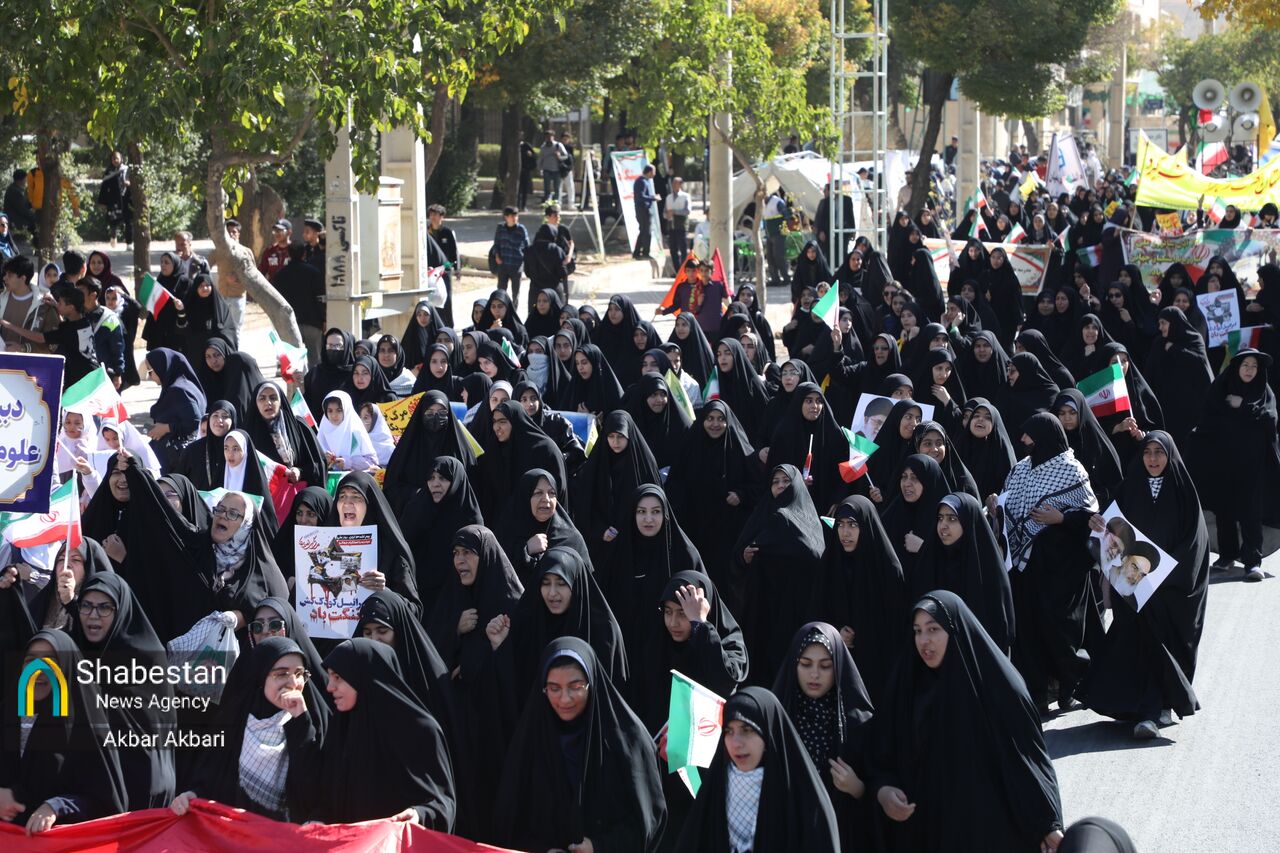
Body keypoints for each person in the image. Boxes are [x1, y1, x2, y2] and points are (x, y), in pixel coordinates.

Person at [868, 591, 1065, 852]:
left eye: (933, 629)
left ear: (955, 629)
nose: (923, 640)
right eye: (917, 631)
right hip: (929, 832)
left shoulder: (999, 688)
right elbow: (883, 751)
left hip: (991, 833)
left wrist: (1047, 824)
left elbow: (1028, 763)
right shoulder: (907, 688)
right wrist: (884, 789)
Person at [1079, 432, 1208, 738]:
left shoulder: (1183, 491)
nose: (1152, 459)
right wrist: (1097, 522)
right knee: (1137, 644)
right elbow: (1112, 528)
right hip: (1134, 586)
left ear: (1170, 456)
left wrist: (1165, 576)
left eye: (1159, 453)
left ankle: (1158, 706)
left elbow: (1195, 541)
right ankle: (1146, 710)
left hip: (1169, 588)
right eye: (1147, 452)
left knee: (1163, 643)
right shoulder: (1130, 488)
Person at [494, 636, 667, 852]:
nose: (564, 699)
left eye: (575, 687)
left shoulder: (629, 741)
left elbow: (648, 823)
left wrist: (598, 847)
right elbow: (509, 823)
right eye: (554, 688)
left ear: (591, 684)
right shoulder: (530, 741)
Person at [169, 637, 330, 821]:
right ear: (261, 676)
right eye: (281, 674)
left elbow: (313, 790)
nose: (293, 683)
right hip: (232, 831)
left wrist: (300, 721)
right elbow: (210, 779)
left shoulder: (310, 722)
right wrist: (191, 795)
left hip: (280, 834)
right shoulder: (235, 717)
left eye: (299, 673)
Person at [303, 638, 455, 828]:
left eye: (338, 677)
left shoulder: (421, 731)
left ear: (363, 675)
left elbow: (443, 803)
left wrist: (419, 815)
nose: (329, 687)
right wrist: (317, 819)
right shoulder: (342, 725)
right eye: (330, 677)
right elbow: (328, 796)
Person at [673, 686, 841, 852]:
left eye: (747, 730)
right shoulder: (717, 787)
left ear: (768, 732)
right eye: (729, 731)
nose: (736, 743)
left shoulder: (801, 795)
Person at [1, 628, 129, 834]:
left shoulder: (88, 728)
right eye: (30, 660)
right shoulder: (9, 714)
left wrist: (57, 806)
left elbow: (107, 804)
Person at [771, 622, 876, 851]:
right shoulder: (777, 721)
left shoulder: (859, 723)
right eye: (805, 664)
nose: (815, 674)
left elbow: (878, 791)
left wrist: (857, 788)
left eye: (826, 666)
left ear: (838, 666)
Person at [1188, 350, 1280, 580]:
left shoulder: (1263, 391)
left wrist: (1243, 406)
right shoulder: (1221, 388)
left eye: (1254, 366)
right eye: (1245, 365)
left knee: (1251, 511)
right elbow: (1208, 418)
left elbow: (1270, 419)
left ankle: (1252, 561)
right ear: (1236, 366)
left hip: (1253, 465)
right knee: (1224, 509)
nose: (1249, 370)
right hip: (1223, 461)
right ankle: (1227, 555)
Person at [141, 347, 207, 472]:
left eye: (150, 371)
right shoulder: (185, 385)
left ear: (162, 367)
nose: (149, 377)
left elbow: (195, 422)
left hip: (175, 460)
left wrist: (166, 428)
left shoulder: (179, 391)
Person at [272, 241, 325, 364]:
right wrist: (323, 318)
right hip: (313, 323)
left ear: (288, 254)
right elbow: (320, 298)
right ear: (304, 254)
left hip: (289, 324)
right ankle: (313, 377)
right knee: (315, 360)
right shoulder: (313, 273)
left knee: (293, 362)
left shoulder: (280, 275)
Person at [0, 255, 58, 353]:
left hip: (29, 362)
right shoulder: (1, 298)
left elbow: (53, 343)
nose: (4, 278)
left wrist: (25, 348)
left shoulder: (44, 304)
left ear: (23, 278)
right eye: (5, 274)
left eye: (10, 275)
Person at [491, 206, 529, 304]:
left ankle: (514, 311)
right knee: (501, 291)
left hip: (517, 265)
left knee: (515, 293)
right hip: (503, 264)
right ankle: (501, 308)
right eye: (512, 216)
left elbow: (527, 246)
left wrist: (527, 261)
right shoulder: (501, 228)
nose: (514, 218)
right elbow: (496, 244)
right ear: (506, 217)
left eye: (516, 216)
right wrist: (497, 255)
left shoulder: (521, 229)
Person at [96, 150, 132, 247]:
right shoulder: (109, 172)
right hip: (114, 200)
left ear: (121, 159)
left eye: (117, 158)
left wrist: (129, 184)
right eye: (113, 159)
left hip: (126, 199)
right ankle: (113, 236)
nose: (115, 160)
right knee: (113, 220)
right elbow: (104, 188)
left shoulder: (127, 170)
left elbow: (134, 182)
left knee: (128, 221)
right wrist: (102, 202)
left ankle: (129, 243)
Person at [666, 176, 691, 270]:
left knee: (683, 248)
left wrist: (675, 212)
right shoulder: (668, 197)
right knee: (673, 249)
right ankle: (677, 270)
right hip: (671, 226)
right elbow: (665, 212)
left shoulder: (685, 196)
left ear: (680, 185)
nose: (674, 185)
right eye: (673, 183)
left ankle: (684, 269)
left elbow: (687, 211)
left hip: (681, 226)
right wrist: (667, 215)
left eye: (676, 183)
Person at [634, 164, 657, 260]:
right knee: (646, 232)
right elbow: (641, 196)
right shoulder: (642, 181)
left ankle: (637, 252)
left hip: (643, 210)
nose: (654, 174)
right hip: (643, 210)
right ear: (650, 172)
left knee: (643, 231)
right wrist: (653, 198)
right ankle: (645, 252)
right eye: (654, 172)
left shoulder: (644, 181)